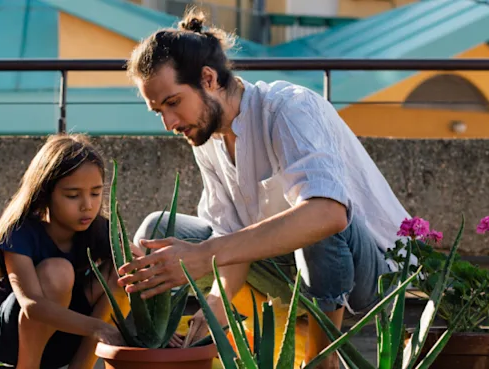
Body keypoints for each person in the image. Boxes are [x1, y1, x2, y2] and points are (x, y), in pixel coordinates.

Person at [117, 8, 410, 369]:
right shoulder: (207, 138)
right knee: (159, 231)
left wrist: (205, 252)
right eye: (158, 111)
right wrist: (213, 307)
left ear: (208, 79)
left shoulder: (288, 108)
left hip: (371, 277)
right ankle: (175, 353)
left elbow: (329, 215)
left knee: (316, 211)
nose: (169, 123)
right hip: (289, 275)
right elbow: (231, 239)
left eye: (173, 102)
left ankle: (323, 358)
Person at [0, 134, 137, 369]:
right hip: (9, 343)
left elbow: (140, 268)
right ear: (44, 194)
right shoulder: (19, 232)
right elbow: (32, 304)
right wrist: (99, 328)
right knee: (58, 271)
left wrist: (158, 326)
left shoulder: (99, 228)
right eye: (73, 195)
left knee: (123, 270)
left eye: (95, 193)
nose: (88, 205)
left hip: (64, 333)